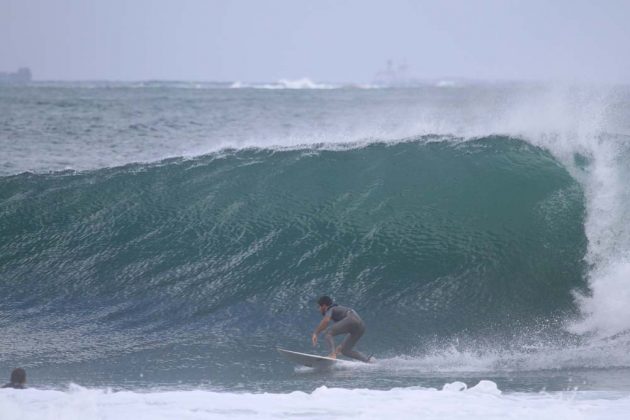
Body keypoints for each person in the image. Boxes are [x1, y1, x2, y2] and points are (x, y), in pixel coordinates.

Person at [311, 296, 372, 363]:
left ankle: (332, 355)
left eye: (319, 307)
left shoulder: (331, 309)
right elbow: (348, 328)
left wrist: (315, 333)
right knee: (345, 351)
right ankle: (367, 361)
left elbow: (326, 321)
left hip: (351, 318)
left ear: (324, 306)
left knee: (327, 333)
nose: (319, 309)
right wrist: (342, 345)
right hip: (361, 326)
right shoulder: (339, 309)